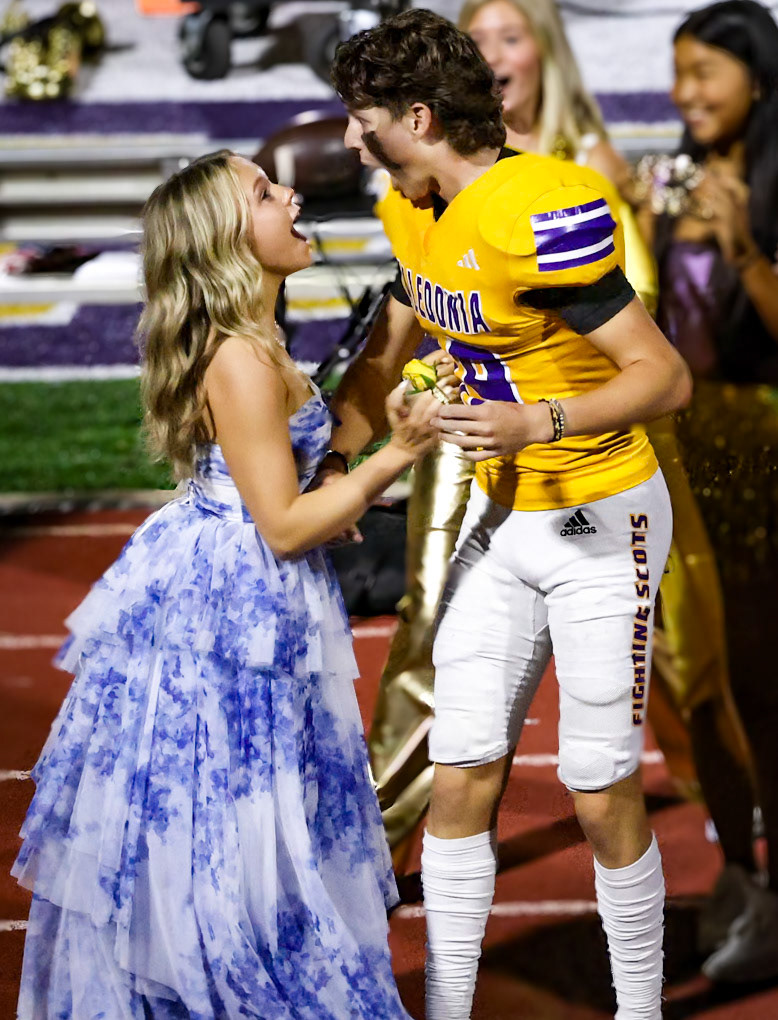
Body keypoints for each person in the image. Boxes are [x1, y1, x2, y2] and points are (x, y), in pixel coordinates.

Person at [10, 150, 440, 1018]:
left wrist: (345, 466)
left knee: (258, 820)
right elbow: (281, 526)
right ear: (226, 240)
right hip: (231, 608)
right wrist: (402, 451)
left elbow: (293, 484)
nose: (290, 196)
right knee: (232, 828)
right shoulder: (240, 358)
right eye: (265, 193)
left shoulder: (259, 335)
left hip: (241, 596)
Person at [331, 10, 692, 1019]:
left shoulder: (534, 206)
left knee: (597, 782)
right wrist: (360, 436)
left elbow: (663, 378)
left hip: (596, 515)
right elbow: (409, 338)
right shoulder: (413, 208)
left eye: (365, 121)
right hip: (503, 520)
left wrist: (537, 416)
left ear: (415, 115)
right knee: (460, 772)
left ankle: (637, 1011)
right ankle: (447, 1006)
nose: (353, 141)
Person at [361, 0, 746, 879]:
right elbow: (438, 318)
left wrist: (538, 413)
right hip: (475, 451)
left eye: (512, 36)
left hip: (597, 451)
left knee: (679, 669)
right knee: (432, 649)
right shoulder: (418, 191)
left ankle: (742, 858)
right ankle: (378, 852)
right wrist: (423, 381)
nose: (496, 56)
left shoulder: (573, 182)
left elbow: (637, 352)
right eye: (478, 39)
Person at [640, 0, 778, 983]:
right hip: (685, 451)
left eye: (704, 74)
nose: (685, 93)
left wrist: (742, 248)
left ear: (758, 81)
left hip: (767, 446)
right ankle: (741, 874)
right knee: (696, 679)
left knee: (765, 683)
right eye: (678, 72)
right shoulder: (673, 182)